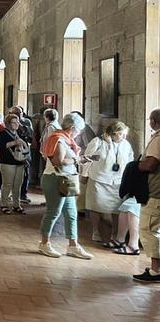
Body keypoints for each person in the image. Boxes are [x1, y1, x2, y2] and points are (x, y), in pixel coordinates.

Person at [38, 112, 93, 259]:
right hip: (55, 179)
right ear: (72, 127)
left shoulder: (66, 140)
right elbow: (58, 161)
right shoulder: (59, 139)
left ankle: (73, 245)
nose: (78, 134)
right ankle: (44, 243)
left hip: (66, 180)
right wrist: (77, 160)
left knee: (71, 213)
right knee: (53, 212)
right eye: (78, 130)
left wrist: (79, 159)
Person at [83, 121, 134, 247]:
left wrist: (129, 178)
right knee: (95, 205)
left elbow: (130, 160)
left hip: (118, 180)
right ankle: (96, 231)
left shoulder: (125, 144)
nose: (124, 137)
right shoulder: (98, 142)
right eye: (121, 134)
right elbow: (88, 159)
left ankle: (115, 233)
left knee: (117, 208)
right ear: (114, 133)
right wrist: (84, 175)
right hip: (99, 179)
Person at [135, 108, 160, 282]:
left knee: (149, 230)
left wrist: (135, 166)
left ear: (153, 121)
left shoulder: (158, 139)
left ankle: (155, 270)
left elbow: (151, 164)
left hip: (156, 193)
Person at [0, 113, 29, 214]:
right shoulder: (3, 133)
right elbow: (0, 146)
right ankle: (4, 204)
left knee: (18, 184)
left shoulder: (19, 132)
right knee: (7, 184)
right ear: (8, 123)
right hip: (7, 162)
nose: (16, 124)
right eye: (13, 122)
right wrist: (14, 143)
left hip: (19, 162)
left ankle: (16, 204)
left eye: (17, 122)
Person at [39, 108, 60, 182]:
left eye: (44, 117)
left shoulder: (51, 127)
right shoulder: (54, 125)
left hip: (51, 154)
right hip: (51, 153)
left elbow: (50, 142)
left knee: (50, 171)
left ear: (47, 117)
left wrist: (46, 154)